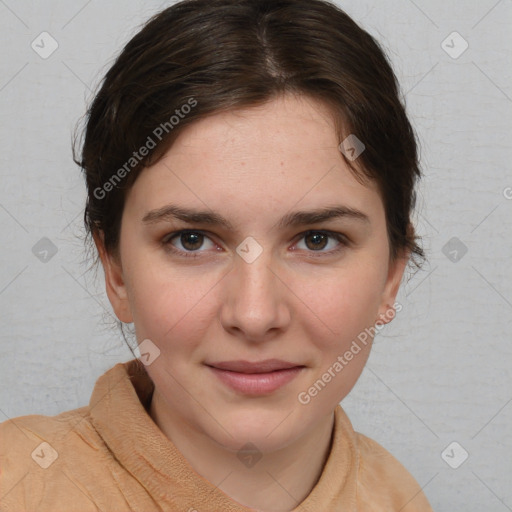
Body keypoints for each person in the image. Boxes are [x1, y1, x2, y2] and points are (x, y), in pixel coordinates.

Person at [0, 0, 434, 510]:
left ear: (392, 273)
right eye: (191, 239)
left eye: (317, 239)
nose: (254, 315)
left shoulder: (399, 498)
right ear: (114, 270)